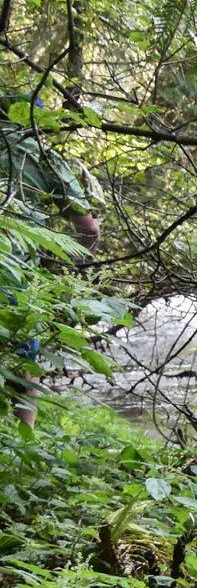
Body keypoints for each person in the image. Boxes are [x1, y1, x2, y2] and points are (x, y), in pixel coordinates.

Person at [2, 114, 103, 427]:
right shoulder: (41, 155)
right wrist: (63, 273)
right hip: (15, 272)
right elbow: (89, 230)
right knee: (23, 362)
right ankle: (23, 445)